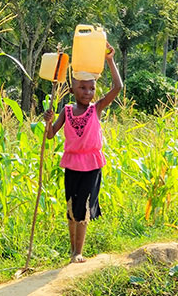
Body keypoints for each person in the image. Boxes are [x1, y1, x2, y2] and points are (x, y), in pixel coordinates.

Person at [44, 42, 123, 263]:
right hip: (71, 164)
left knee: (85, 206)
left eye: (91, 88)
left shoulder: (96, 108)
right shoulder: (67, 110)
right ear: (72, 90)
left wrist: (109, 60)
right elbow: (50, 135)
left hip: (92, 164)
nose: (88, 92)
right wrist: (48, 123)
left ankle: (79, 252)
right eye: (82, 88)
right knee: (71, 206)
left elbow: (117, 87)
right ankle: (73, 251)